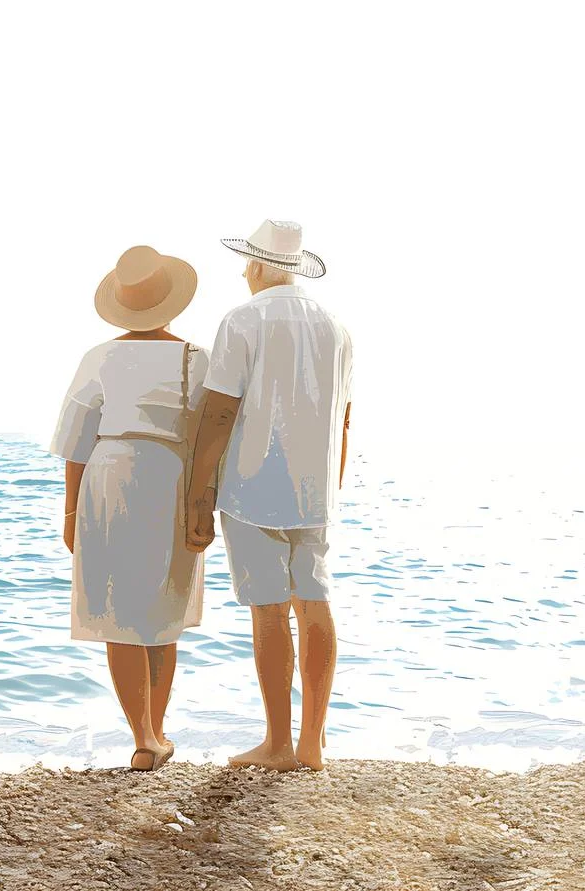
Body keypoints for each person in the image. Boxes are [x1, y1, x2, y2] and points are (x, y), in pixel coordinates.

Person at [185, 219, 353, 772]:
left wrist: (198, 494)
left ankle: (278, 744)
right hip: (316, 490)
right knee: (315, 602)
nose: (243, 273)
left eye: (246, 264)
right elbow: (344, 418)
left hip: (252, 485)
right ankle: (313, 744)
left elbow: (219, 412)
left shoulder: (243, 320)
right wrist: (330, 488)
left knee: (269, 611)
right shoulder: (336, 327)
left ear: (258, 265)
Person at [50, 244, 211, 772]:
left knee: (119, 613)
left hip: (110, 473)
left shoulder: (100, 357)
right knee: (163, 609)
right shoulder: (197, 358)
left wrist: (70, 513)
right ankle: (155, 732)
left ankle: (143, 737)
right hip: (171, 475)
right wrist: (204, 502)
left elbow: (77, 442)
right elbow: (210, 438)